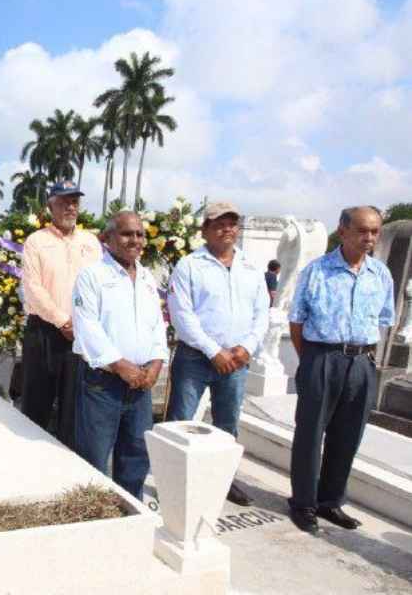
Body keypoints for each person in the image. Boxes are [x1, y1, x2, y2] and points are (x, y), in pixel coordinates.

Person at [287, 206, 393, 534]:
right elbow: (297, 320)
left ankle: (330, 501)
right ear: (343, 230)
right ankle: (303, 503)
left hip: (361, 363)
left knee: (348, 436)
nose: (370, 238)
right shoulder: (317, 270)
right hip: (322, 357)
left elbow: (384, 319)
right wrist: (313, 360)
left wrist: (361, 358)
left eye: (375, 231)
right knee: (309, 435)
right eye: (363, 230)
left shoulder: (380, 274)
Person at [166, 201, 269, 506]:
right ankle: (173, 484)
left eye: (232, 224)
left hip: (237, 360)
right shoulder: (189, 265)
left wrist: (246, 347)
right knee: (180, 422)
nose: (227, 229)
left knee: (227, 424)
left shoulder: (250, 267)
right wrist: (214, 351)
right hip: (196, 357)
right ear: (205, 230)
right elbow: (181, 315)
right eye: (219, 224)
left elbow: (261, 312)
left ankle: (223, 481)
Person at [72, 212, 167, 498]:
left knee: (136, 454)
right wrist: (120, 365)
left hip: (140, 383)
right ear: (107, 238)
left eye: (139, 234)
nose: (135, 240)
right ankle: (94, 517)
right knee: (94, 456)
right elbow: (87, 326)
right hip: (104, 383)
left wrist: (157, 363)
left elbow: (157, 325)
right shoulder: (92, 276)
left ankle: (131, 510)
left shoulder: (148, 278)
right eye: (127, 234)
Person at [20, 181, 102, 447]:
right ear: (50, 205)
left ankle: (68, 459)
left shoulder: (91, 243)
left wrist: (83, 324)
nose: (70, 207)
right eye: (63, 201)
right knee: (37, 401)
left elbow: (100, 285)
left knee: (74, 404)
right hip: (44, 331)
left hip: (81, 334)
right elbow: (33, 287)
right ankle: (32, 455)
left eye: (74, 201)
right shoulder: (36, 241)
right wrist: (62, 320)